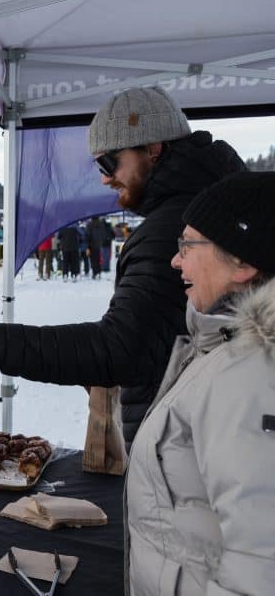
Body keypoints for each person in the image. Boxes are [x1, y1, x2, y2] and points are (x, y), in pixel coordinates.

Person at [0, 86, 246, 447]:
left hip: (187, 441)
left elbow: (120, 348)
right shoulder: (215, 203)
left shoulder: (172, 228)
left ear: (153, 150)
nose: (104, 178)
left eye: (109, 162)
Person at [126, 172, 275, 595]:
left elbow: (262, 564)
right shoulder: (220, 346)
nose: (176, 260)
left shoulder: (254, 372)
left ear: (243, 264)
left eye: (188, 245)